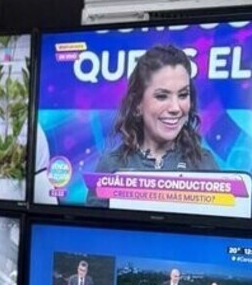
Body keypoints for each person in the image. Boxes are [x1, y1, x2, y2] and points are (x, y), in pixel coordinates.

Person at [89, 44, 219, 202]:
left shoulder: (204, 164)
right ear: (138, 104)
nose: (175, 108)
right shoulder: (111, 166)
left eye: (183, 95)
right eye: (162, 96)